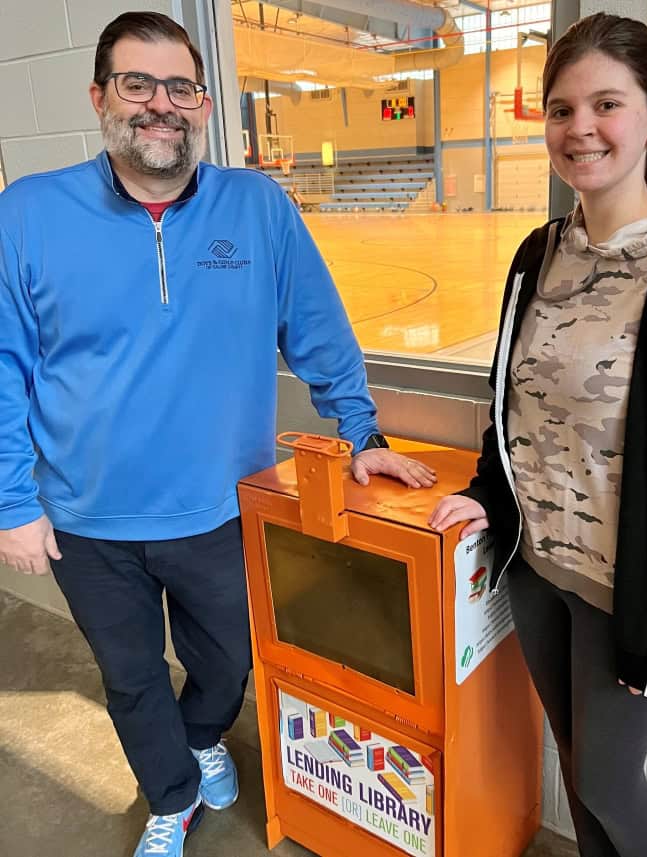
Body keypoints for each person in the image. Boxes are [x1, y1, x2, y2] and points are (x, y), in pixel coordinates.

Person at [0, 11, 436, 857]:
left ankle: (201, 738)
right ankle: (171, 795)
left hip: (222, 508)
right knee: (130, 676)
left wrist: (362, 431)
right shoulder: (28, 213)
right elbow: (4, 362)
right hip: (87, 520)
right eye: (138, 84)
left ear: (202, 103)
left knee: (228, 659)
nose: (161, 104)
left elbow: (318, 329)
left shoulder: (258, 207)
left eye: (181, 88)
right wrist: (13, 499)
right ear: (100, 96)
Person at [430, 13, 647, 857]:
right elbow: (513, 402)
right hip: (538, 571)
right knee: (580, 773)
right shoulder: (535, 255)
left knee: (611, 783)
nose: (580, 127)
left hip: (632, 597)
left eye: (606, 104)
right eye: (561, 109)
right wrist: (485, 494)